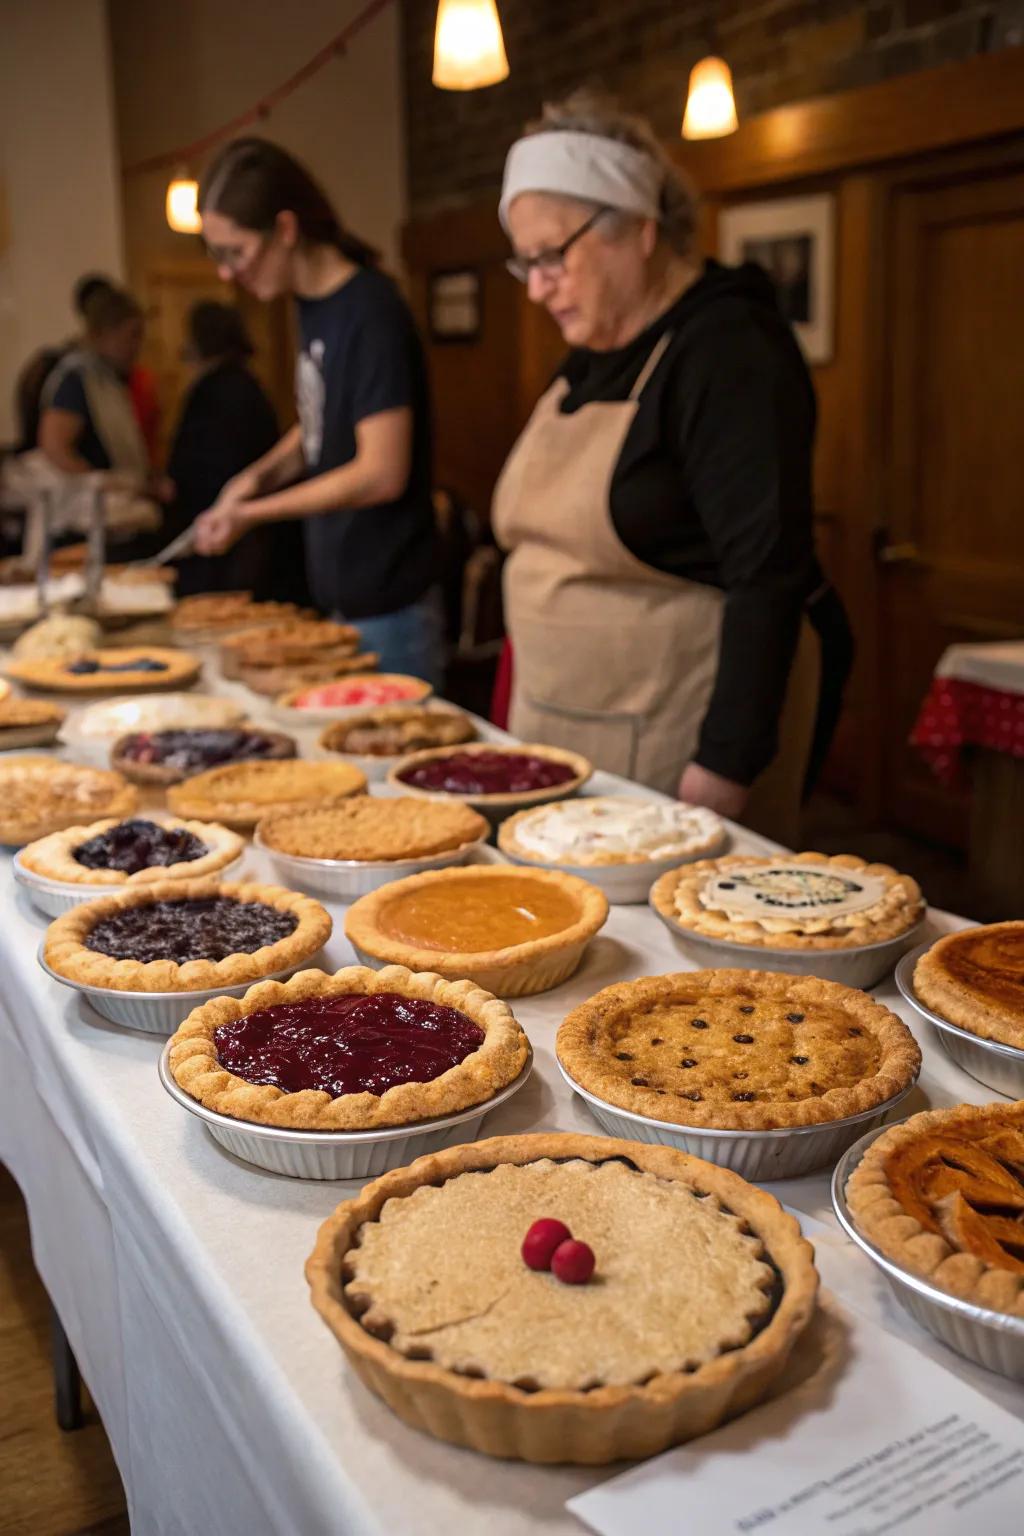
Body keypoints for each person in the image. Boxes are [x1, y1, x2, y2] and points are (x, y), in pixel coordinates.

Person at [491, 90, 853, 845]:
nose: (536, 287)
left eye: (552, 255)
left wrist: (726, 763)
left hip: (669, 738)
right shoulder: (588, 358)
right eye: (524, 262)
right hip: (563, 727)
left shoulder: (729, 349)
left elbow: (768, 571)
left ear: (639, 229)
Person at [192, 138, 442, 683]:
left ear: (285, 229)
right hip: (342, 597)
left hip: (388, 606)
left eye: (236, 252)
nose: (227, 273)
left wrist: (254, 514)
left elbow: (381, 472)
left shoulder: (370, 310)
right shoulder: (312, 306)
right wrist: (252, 479)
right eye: (218, 255)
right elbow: (322, 419)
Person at [164, 300, 307, 600]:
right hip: (244, 525)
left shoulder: (215, 392)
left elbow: (199, 467)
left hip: (228, 532)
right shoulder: (248, 384)